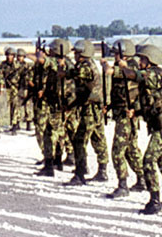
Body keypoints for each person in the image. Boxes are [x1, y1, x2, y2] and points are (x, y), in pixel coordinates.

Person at [120, 44, 162, 214]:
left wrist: (124, 68)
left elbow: (135, 76)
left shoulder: (155, 74)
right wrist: (136, 111)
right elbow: (150, 101)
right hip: (157, 124)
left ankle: (154, 200)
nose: (140, 62)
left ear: (150, 60)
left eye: (143, 59)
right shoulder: (152, 75)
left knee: (148, 160)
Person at [102, 39, 146, 198]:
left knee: (118, 150)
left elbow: (111, 72)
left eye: (117, 53)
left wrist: (107, 65)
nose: (115, 55)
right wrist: (110, 105)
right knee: (131, 150)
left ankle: (122, 184)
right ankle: (143, 179)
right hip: (121, 112)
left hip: (128, 116)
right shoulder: (122, 65)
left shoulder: (131, 66)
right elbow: (119, 91)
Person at [62, 39, 109, 185]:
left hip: (90, 109)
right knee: (98, 138)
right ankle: (102, 171)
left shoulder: (86, 66)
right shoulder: (88, 64)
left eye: (76, 53)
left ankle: (80, 173)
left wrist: (64, 72)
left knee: (79, 140)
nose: (74, 55)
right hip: (93, 107)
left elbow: (76, 74)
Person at [35, 39, 72, 176]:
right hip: (63, 103)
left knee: (50, 133)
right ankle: (58, 160)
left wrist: (38, 55)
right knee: (60, 133)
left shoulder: (57, 63)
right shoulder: (68, 63)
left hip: (58, 104)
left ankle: (49, 165)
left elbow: (43, 61)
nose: (49, 51)